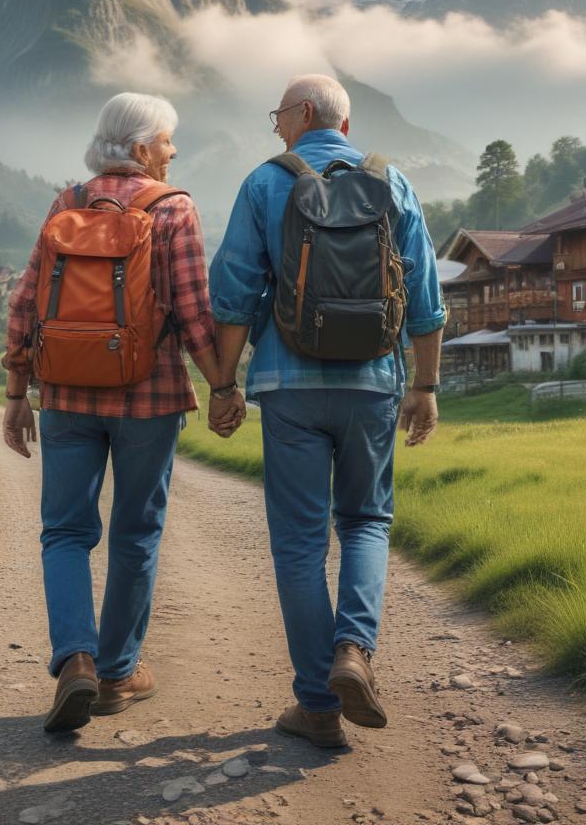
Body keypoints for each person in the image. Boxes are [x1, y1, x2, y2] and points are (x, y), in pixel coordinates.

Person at [208, 73, 445, 748]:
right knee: (367, 519)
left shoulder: (263, 183)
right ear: (343, 124)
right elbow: (425, 296)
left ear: (306, 113)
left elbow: (231, 295)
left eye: (278, 113)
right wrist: (423, 387)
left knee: (299, 543)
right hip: (372, 380)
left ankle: (317, 703)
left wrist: (223, 386)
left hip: (288, 384)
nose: (276, 126)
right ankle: (354, 650)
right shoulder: (390, 181)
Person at [1, 92, 243, 732]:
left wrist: (15, 394)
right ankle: (117, 674)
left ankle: (75, 660)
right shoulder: (173, 207)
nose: (172, 151)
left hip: (65, 394)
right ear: (140, 148)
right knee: (136, 532)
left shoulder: (67, 203)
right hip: (150, 396)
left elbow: (25, 302)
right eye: (167, 140)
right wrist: (222, 385)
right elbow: (194, 311)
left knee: (64, 532)